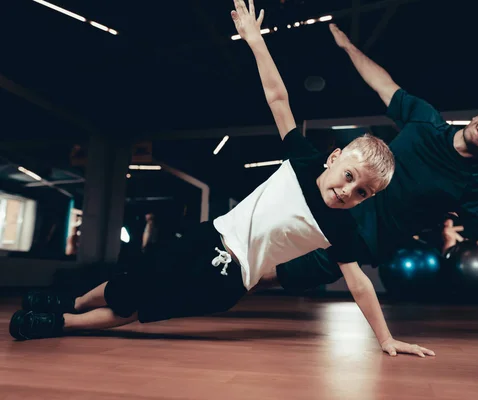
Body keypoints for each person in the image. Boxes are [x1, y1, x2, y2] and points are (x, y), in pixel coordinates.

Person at [9, 0, 434, 358]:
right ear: (334, 158)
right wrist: (255, 40)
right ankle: (75, 301)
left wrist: (386, 338)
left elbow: (358, 284)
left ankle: (61, 323)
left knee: (136, 308)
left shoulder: (340, 228)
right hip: (205, 236)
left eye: (362, 192)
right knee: (128, 282)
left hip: (227, 280)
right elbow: (278, 96)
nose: (348, 191)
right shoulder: (305, 159)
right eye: (349, 177)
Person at [266, 23, 478, 341]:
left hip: (353, 243)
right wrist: (348, 46)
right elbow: (382, 83)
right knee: (250, 248)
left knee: (266, 276)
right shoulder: (425, 119)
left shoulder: (471, 186)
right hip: (324, 206)